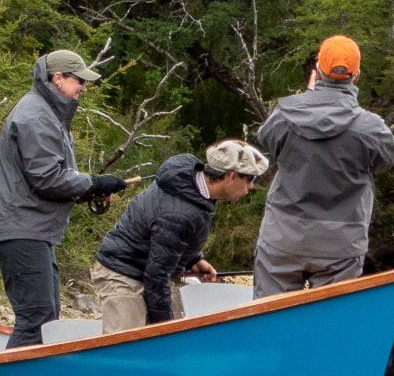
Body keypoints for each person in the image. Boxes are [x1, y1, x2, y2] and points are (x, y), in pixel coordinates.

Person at [0, 50, 132, 348]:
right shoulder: (35, 115)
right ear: (58, 79)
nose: (84, 88)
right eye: (79, 81)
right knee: (37, 319)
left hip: (31, 230)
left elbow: (44, 180)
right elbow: (47, 178)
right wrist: (94, 183)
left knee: (48, 320)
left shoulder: (47, 113)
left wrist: (89, 190)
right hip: (20, 230)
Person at [253, 34, 394, 298]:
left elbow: (269, 145)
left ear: (317, 71)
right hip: (341, 246)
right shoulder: (370, 128)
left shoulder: (284, 115)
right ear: (357, 76)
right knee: (331, 326)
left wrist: (310, 99)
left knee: (271, 323)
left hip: (282, 238)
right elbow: (386, 161)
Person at [91, 140, 269, 333]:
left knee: (178, 329)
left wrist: (193, 258)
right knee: (128, 345)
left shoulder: (200, 186)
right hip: (121, 271)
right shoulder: (179, 214)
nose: (251, 186)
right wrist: (166, 333)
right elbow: (157, 276)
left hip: (152, 268)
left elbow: (170, 241)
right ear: (231, 176)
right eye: (250, 179)